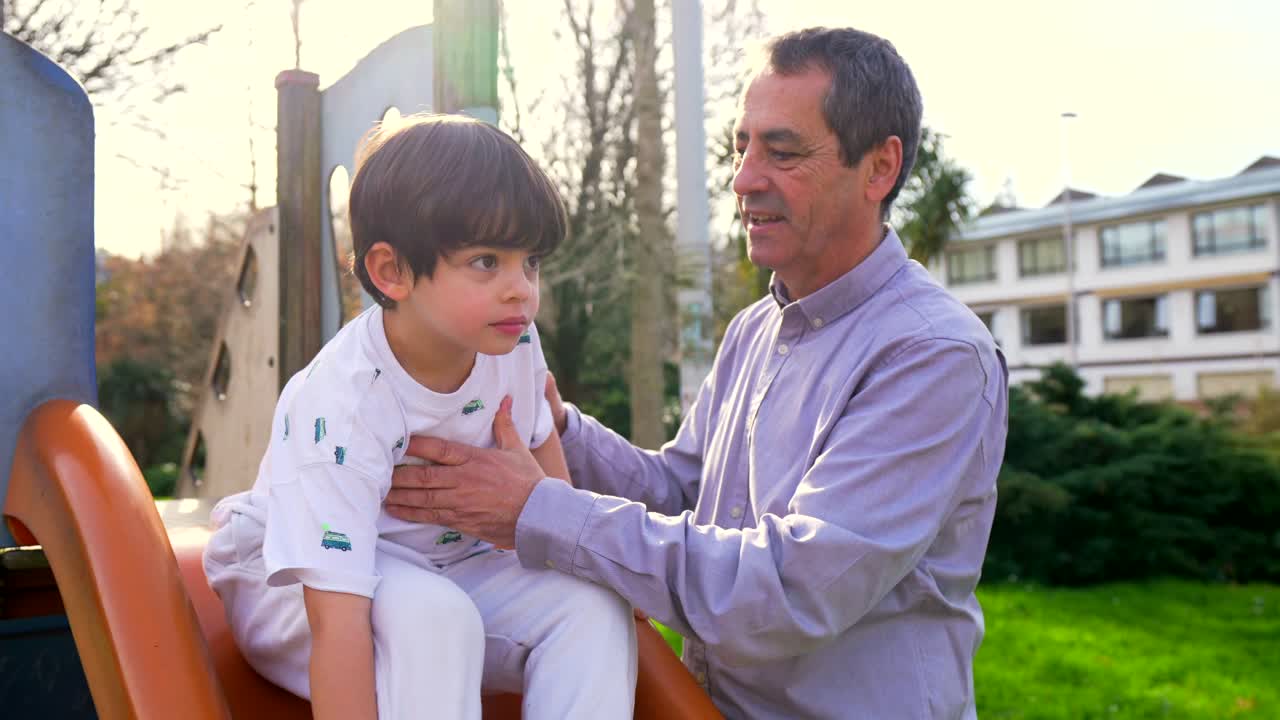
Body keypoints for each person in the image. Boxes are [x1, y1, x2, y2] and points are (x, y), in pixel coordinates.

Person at [386, 27, 1010, 719]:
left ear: (879, 169)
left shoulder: (934, 357)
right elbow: (684, 494)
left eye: (782, 151)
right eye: (741, 147)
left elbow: (789, 590)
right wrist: (554, 424)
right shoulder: (755, 329)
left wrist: (536, 509)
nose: (744, 179)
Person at [203, 114, 637, 720]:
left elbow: (544, 460)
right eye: (487, 261)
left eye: (530, 261)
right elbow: (337, 624)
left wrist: (573, 549)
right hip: (299, 591)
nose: (521, 288)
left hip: (446, 567)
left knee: (591, 607)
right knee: (435, 618)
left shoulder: (513, 342)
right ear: (391, 272)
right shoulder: (346, 404)